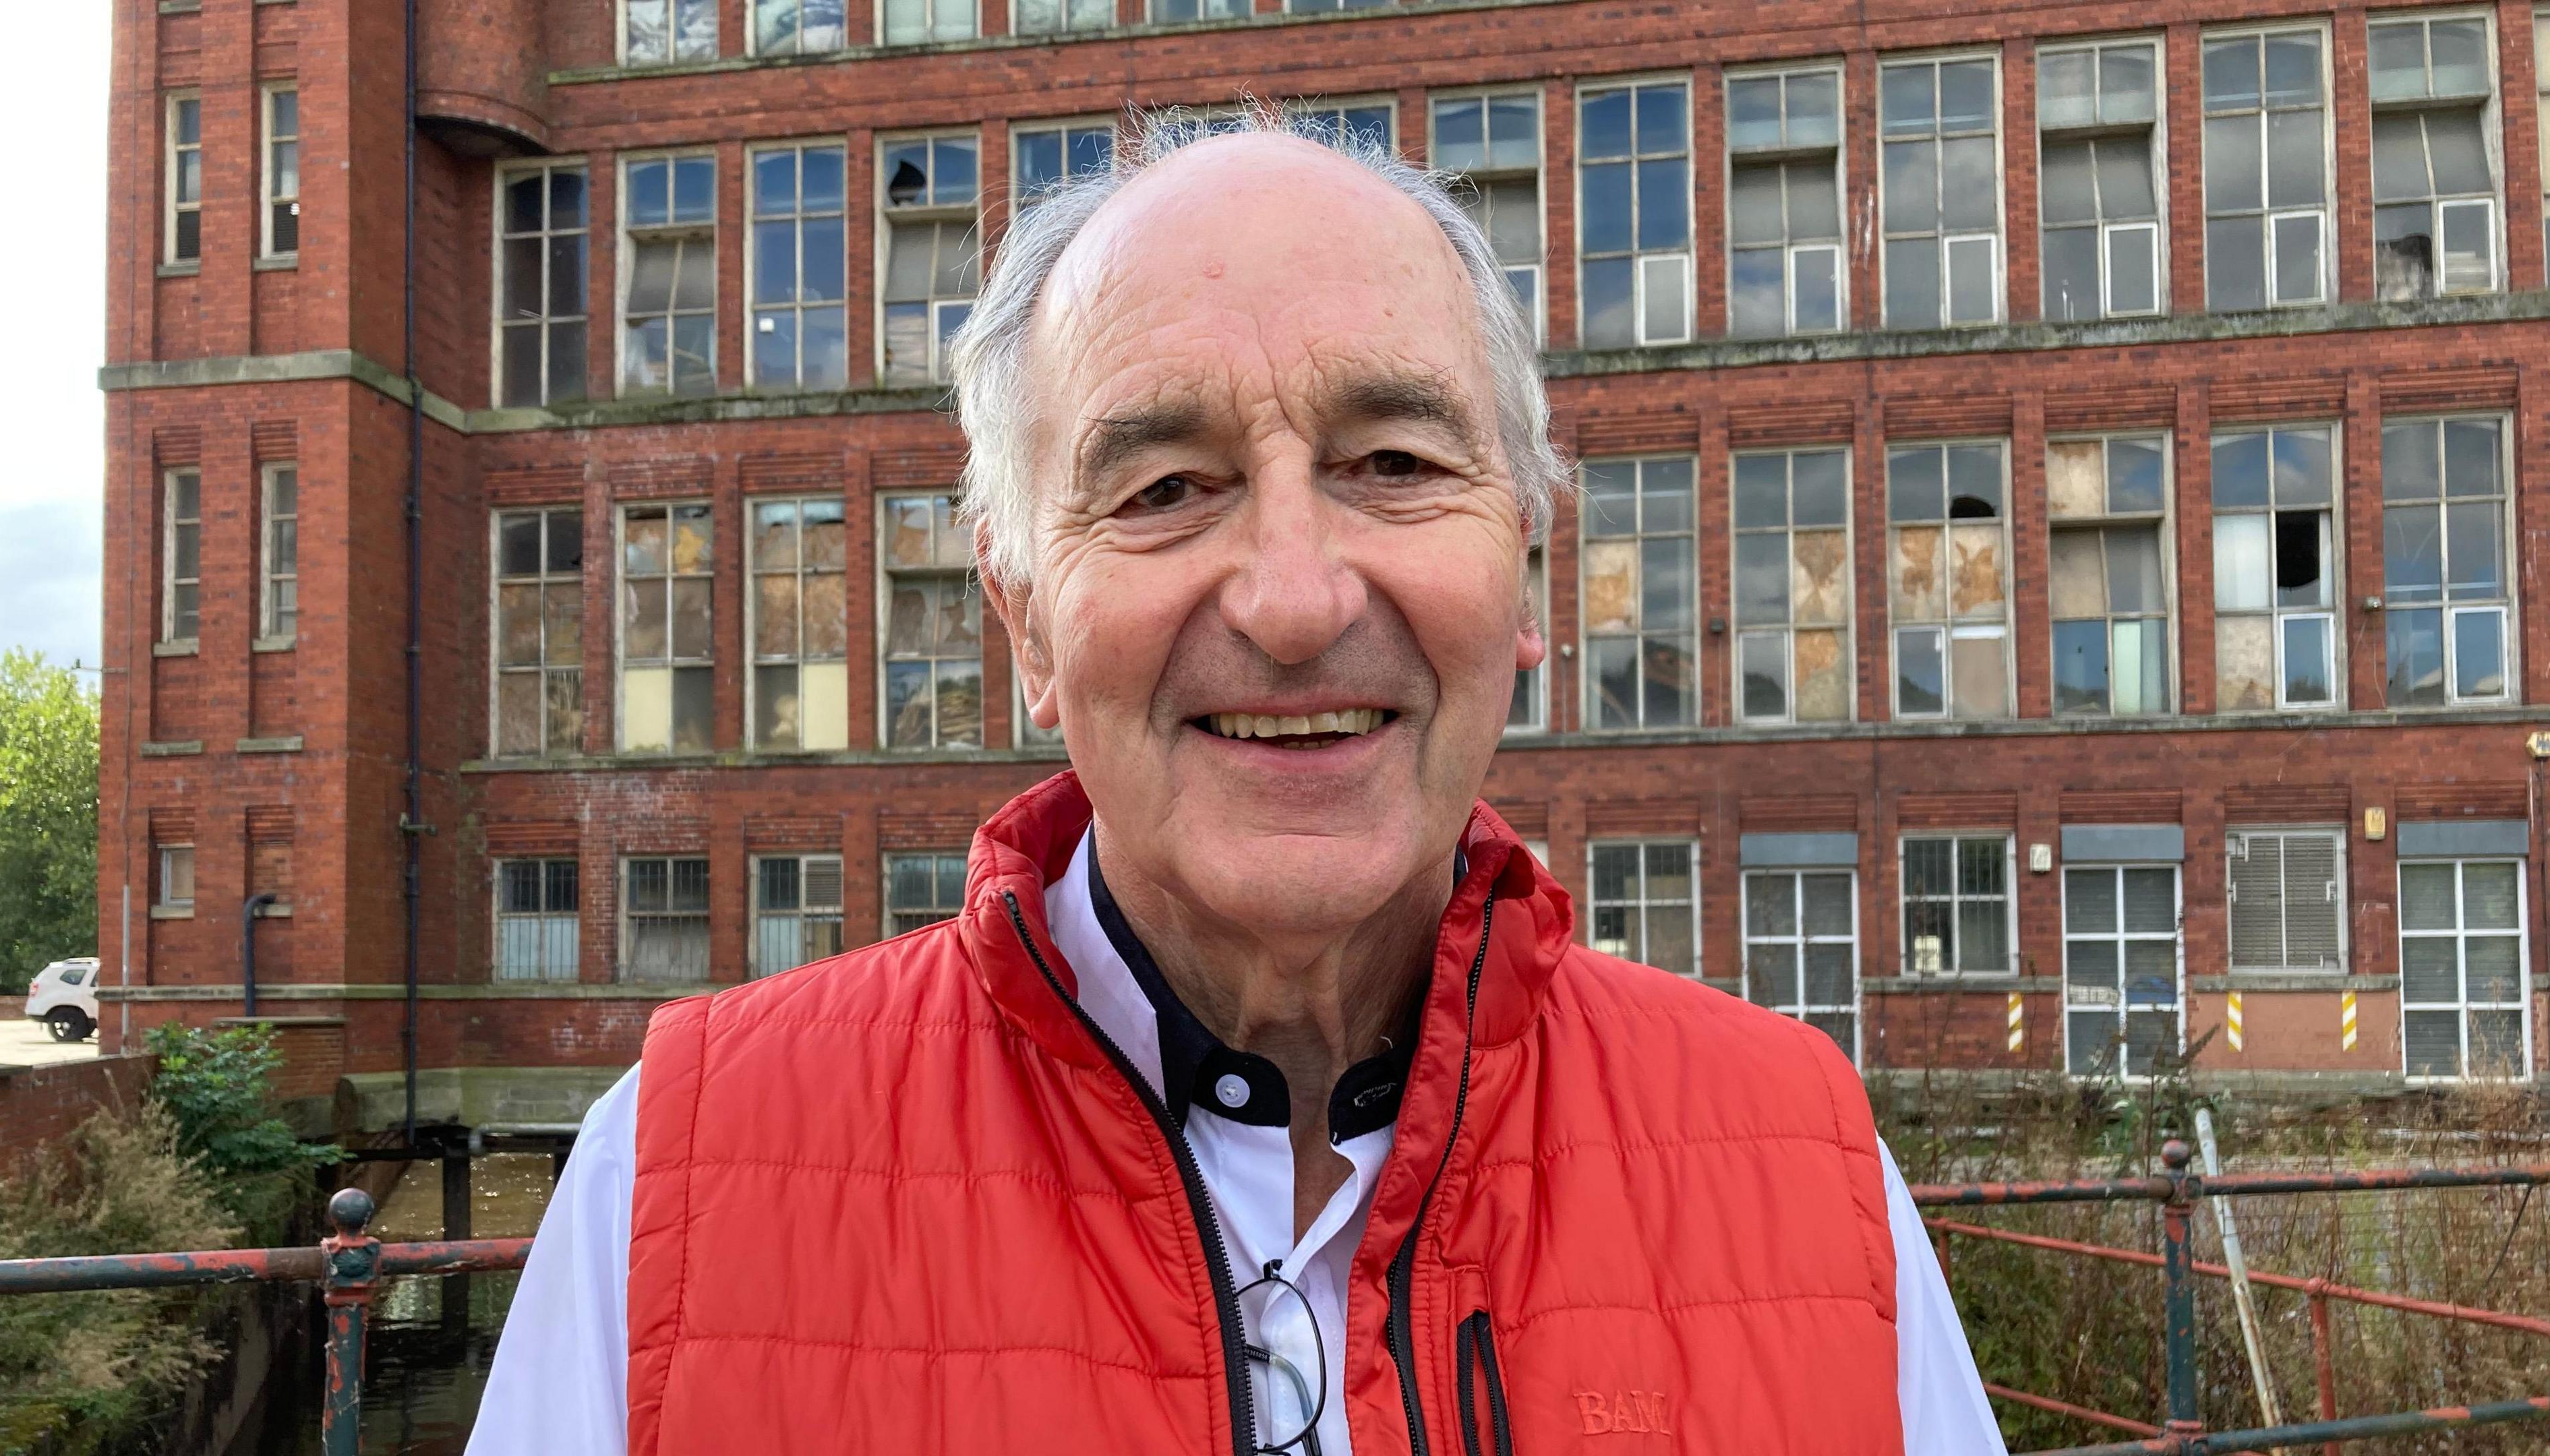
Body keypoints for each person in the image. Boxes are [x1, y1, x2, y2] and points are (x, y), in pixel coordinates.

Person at [467, 109, 2008, 1456]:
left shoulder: (1812, 1178)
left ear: (1530, 562)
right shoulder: (670, 1193)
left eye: (1395, 465)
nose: (1292, 597)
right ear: (1026, 626)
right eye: (1165, 489)